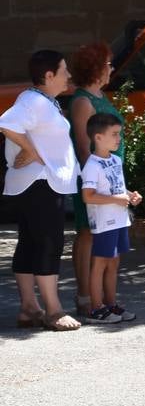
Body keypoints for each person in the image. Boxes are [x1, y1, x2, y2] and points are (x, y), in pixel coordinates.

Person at [1, 50, 81, 331]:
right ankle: (53, 310)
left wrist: (30, 150)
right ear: (48, 76)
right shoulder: (34, 101)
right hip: (40, 183)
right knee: (49, 242)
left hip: (36, 182)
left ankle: (29, 308)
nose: (68, 76)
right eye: (63, 71)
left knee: (31, 242)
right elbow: (6, 123)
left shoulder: (42, 101)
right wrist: (31, 151)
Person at [66, 41, 123, 316]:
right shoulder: (82, 101)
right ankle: (85, 295)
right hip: (94, 180)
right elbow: (82, 145)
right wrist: (99, 182)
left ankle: (102, 296)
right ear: (96, 68)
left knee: (106, 235)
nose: (111, 68)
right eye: (107, 64)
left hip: (111, 177)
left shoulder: (99, 95)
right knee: (87, 233)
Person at [80, 112, 142, 323]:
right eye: (114, 134)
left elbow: (118, 188)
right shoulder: (92, 165)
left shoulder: (115, 160)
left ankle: (110, 305)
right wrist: (117, 199)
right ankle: (96, 308)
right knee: (100, 264)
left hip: (119, 219)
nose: (119, 139)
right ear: (98, 137)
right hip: (104, 222)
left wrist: (130, 195)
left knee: (113, 264)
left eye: (120, 134)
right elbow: (87, 196)